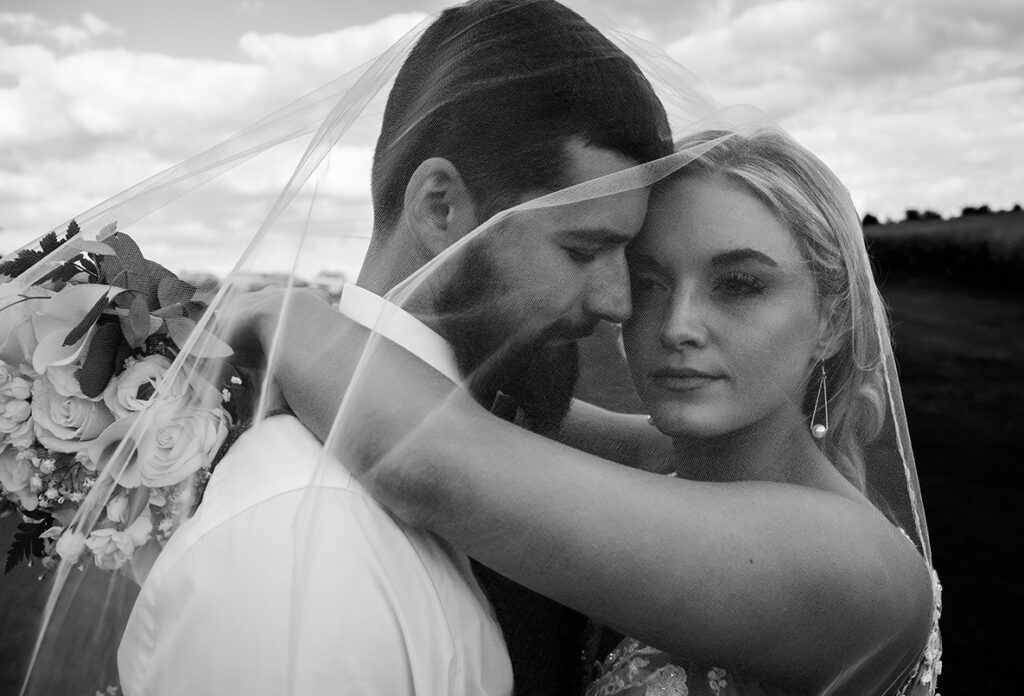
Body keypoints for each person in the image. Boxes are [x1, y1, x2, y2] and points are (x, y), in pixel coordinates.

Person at [248, 128, 940, 695]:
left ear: (830, 320)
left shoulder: (853, 568)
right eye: (648, 281)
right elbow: (531, 417)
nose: (677, 325)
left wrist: (274, 313)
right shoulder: (677, 463)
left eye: (739, 285)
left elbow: (435, 459)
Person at [111, 1, 676, 695]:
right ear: (440, 208)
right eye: (583, 248)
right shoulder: (302, 546)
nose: (619, 303)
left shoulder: (509, 452)